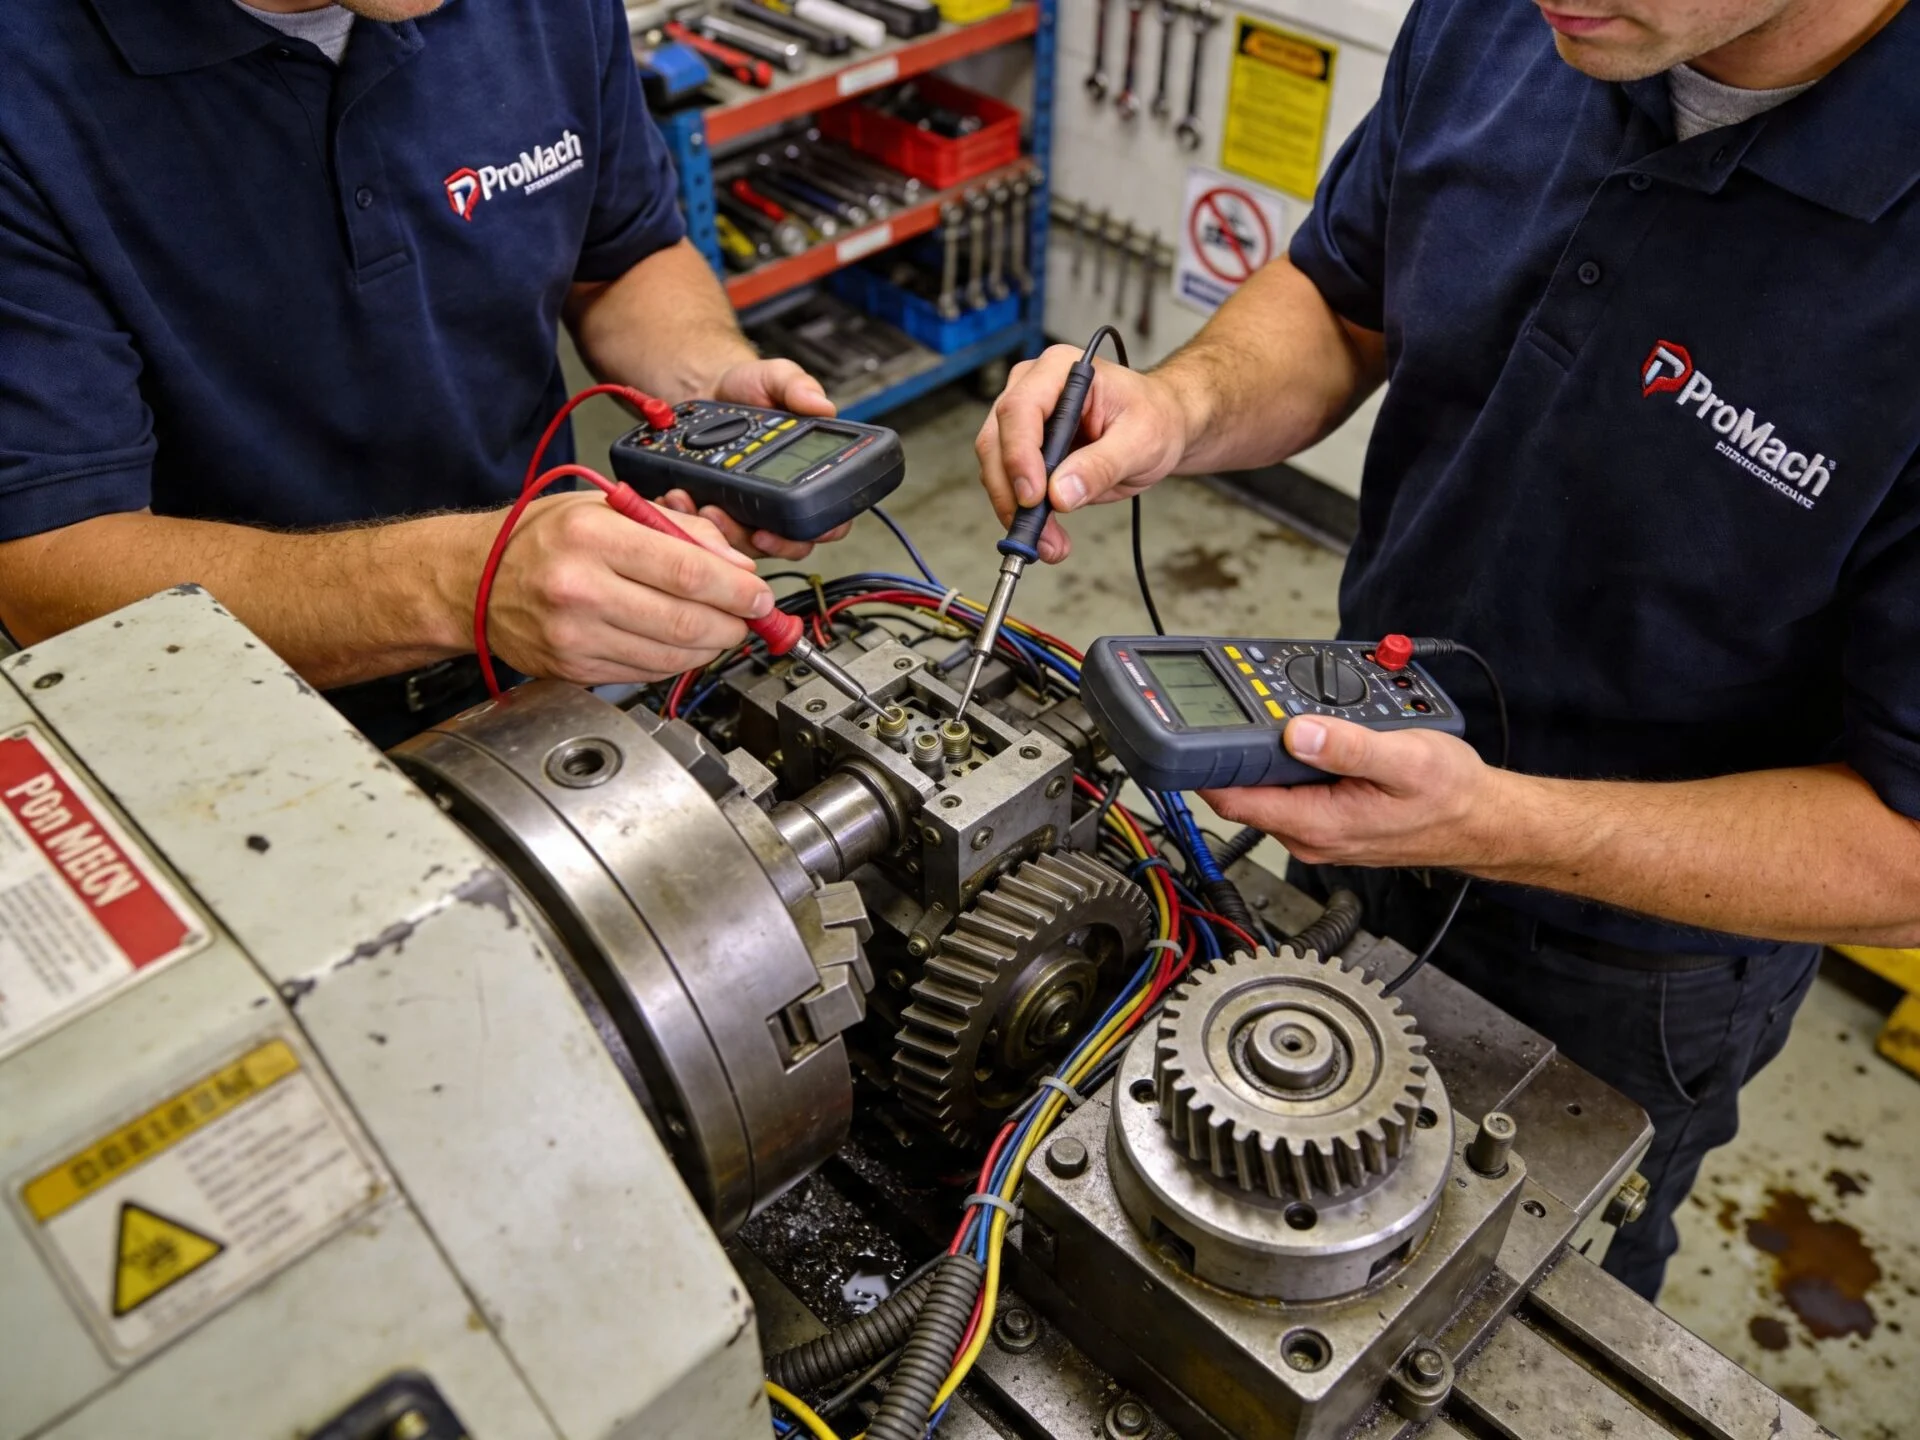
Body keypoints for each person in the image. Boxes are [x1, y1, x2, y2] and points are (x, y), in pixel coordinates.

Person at [977, 0, 1920, 1298]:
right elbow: (1340, 294)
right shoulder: (1505, 23)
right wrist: (1182, 406)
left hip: (1631, 959)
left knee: (1511, 1304)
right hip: (1366, 786)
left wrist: (1493, 823)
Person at [0, 0, 839, 746]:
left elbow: (624, 254)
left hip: (550, 665)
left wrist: (714, 390)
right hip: (233, 733)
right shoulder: (26, 82)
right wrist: (463, 584)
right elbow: (49, 569)